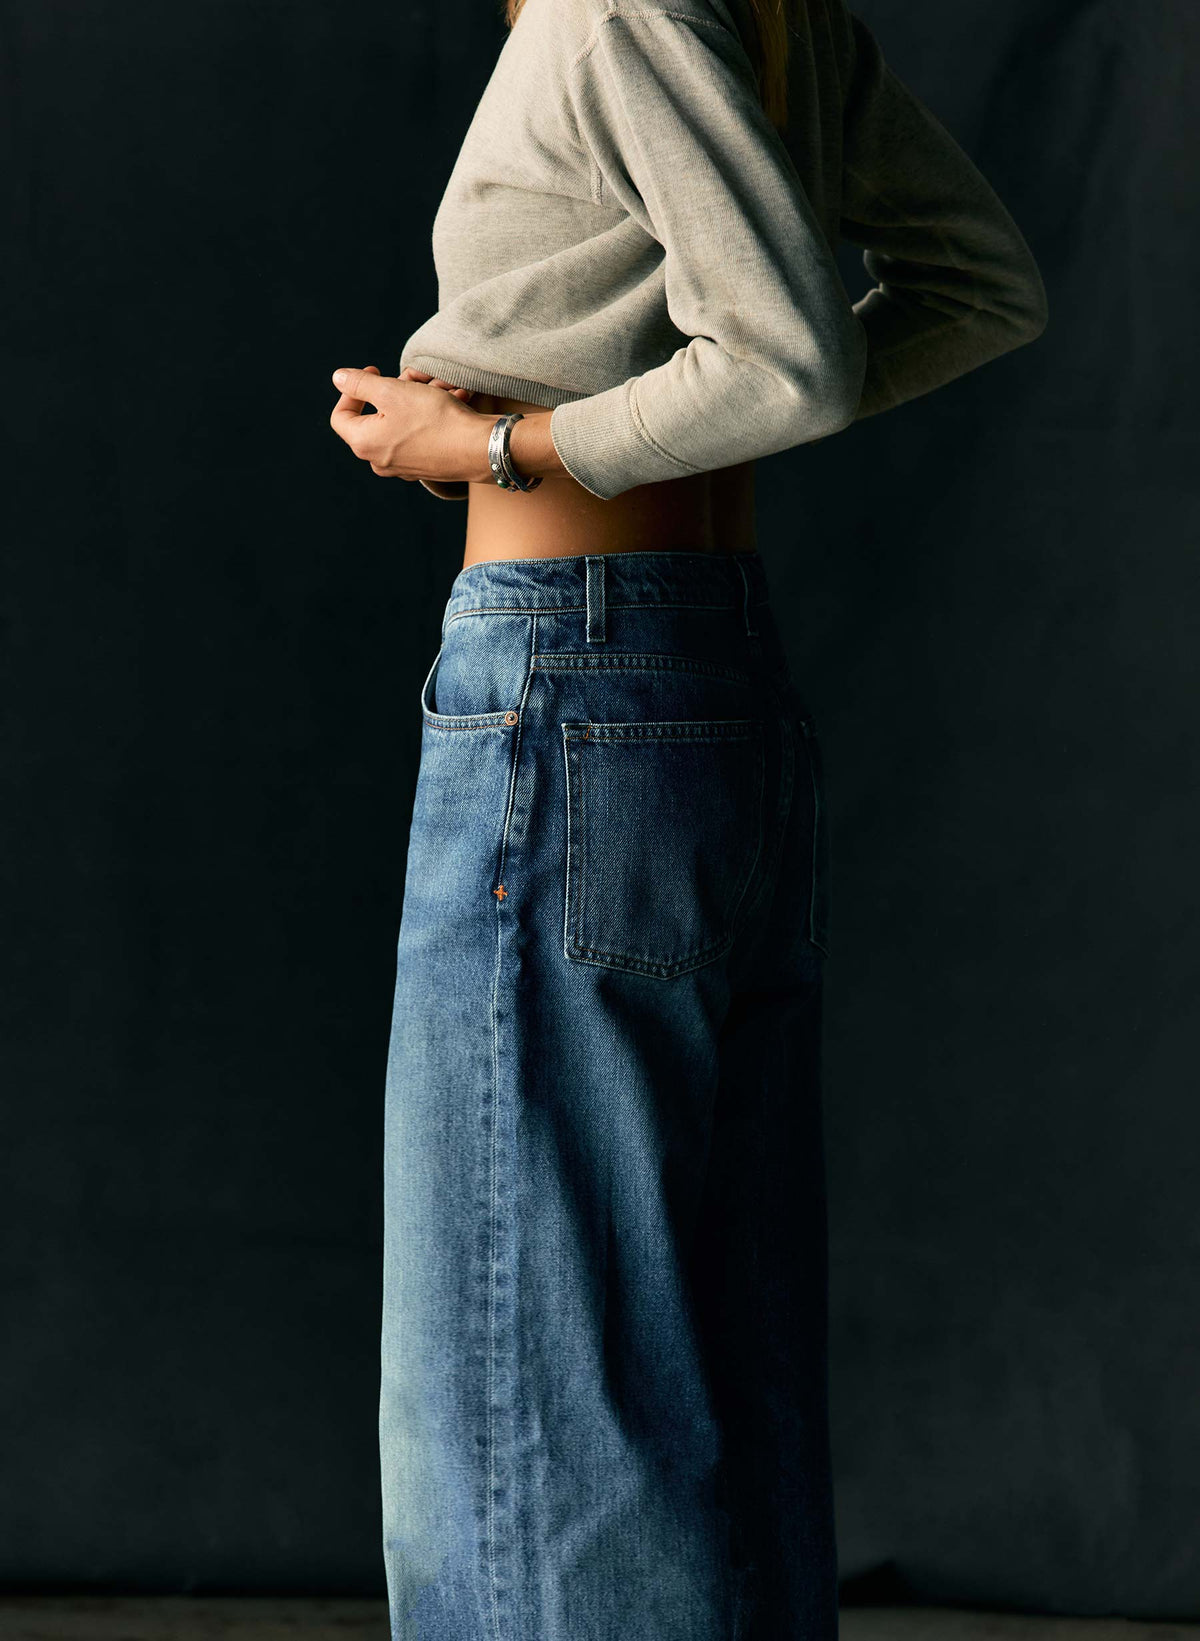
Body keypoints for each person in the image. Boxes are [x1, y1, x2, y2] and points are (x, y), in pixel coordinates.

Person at [328, 0, 1047, 1632]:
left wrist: (501, 442)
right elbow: (974, 290)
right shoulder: (767, 14)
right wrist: (590, 436)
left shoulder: (613, 13)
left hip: (566, 677)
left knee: (525, 1377)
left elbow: (787, 357)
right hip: (703, 671)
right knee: (708, 1346)